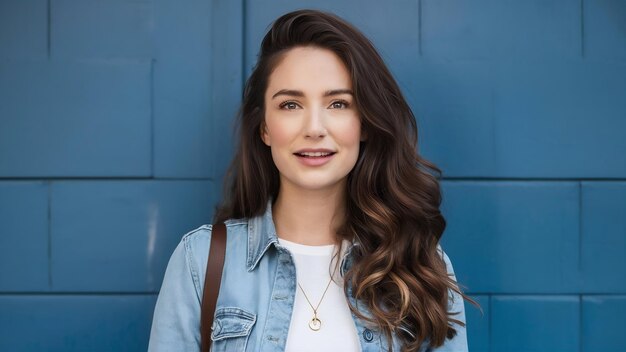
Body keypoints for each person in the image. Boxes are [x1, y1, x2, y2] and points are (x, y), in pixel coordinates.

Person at [148, 9, 473, 352]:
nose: (314, 128)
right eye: (290, 104)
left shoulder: (419, 261)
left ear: (364, 123)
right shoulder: (199, 261)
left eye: (338, 103)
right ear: (265, 128)